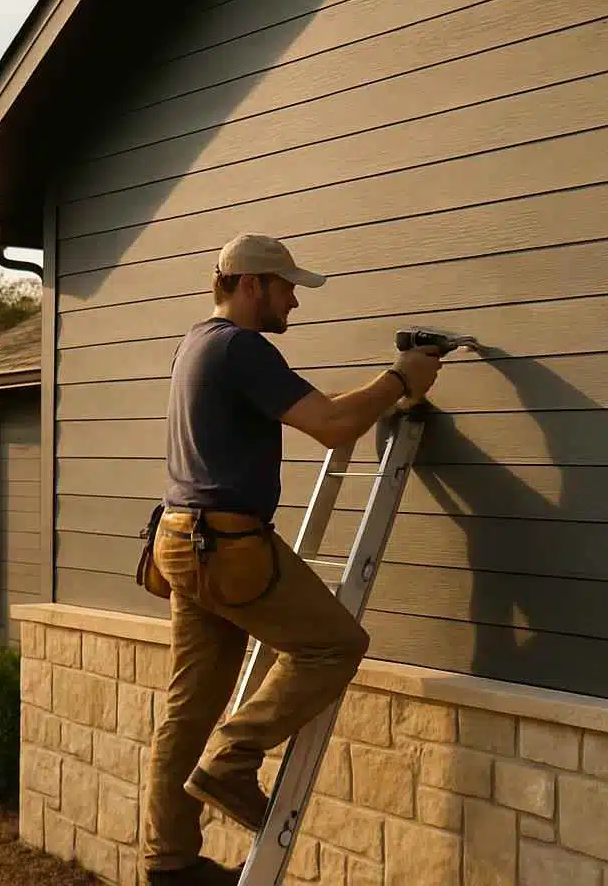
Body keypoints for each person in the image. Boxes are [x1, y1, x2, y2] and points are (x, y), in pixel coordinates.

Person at [141, 232, 444, 884]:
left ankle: (168, 866)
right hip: (225, 547)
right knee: (334, 645)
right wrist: (400, 379)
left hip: (181, 541)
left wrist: (387, 390)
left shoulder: (197, 343)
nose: (294, 303)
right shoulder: (242, 348)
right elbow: (333, 424)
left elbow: (317, 408)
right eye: (287, 288)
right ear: (251, 285)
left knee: (187, 709)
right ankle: (233, 760)